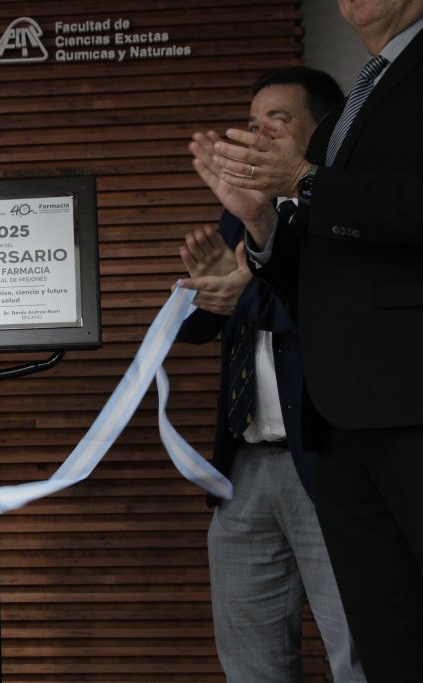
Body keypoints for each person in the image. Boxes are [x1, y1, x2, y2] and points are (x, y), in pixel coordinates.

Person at [189, 1, 423, 678]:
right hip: (342, 416)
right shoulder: (365, 92)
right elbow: (320, 270)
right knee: (386, 633)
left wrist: (302, 181)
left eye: (278, 121)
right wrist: (261, 224)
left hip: (408, 396)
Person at [178, 67, 364, 682]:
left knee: (357, 647)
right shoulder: (240, 210)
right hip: (246, 465)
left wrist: (248, 292)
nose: (255, 135)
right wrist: (204, 294)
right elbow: (201, 326)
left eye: (276, 122)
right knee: (250, 658)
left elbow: (335, 317)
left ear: (323, 131)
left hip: (330, 460)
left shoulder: (345, 208)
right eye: (251, 123)